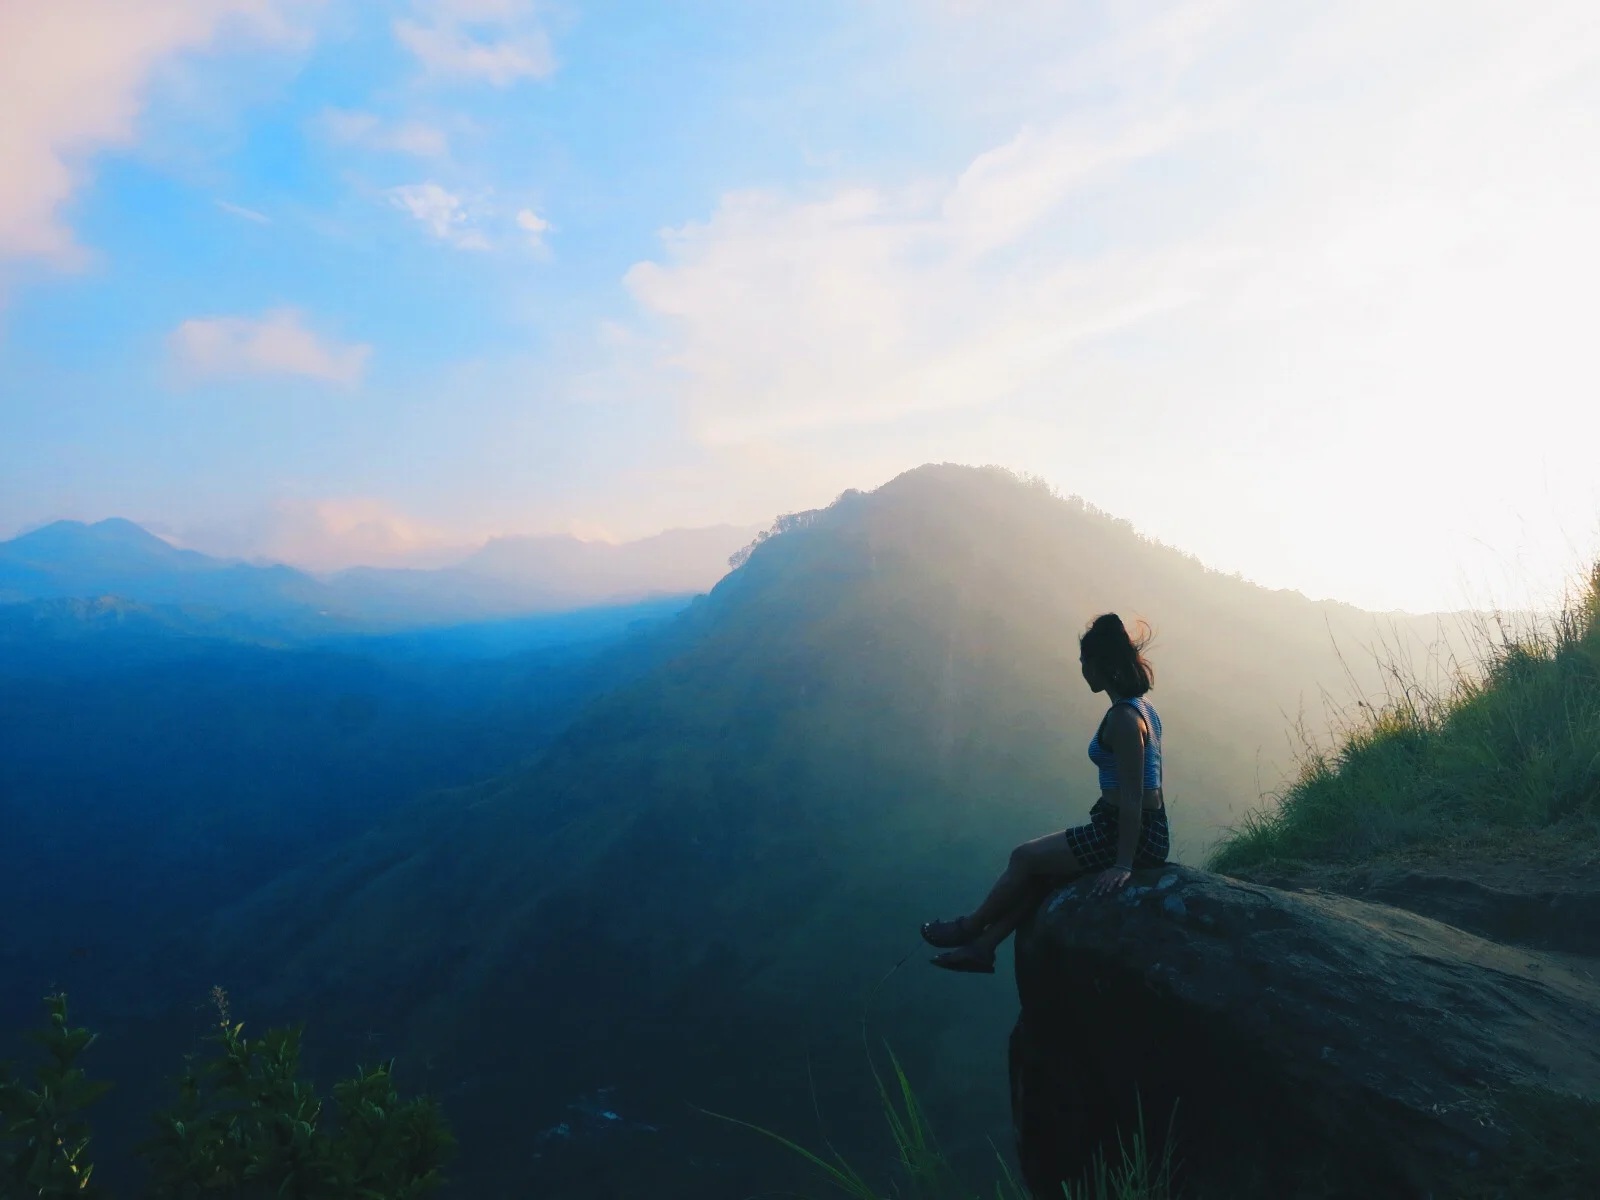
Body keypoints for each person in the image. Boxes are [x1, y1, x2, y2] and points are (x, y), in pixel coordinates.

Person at [920, 613, 1170, 973]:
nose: (1082, 669)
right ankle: (983, 947)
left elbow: (1135, 796)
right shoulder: (1142, 708)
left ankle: (970, 927)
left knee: (1024, 857)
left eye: (1085, 662)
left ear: (1101, 664)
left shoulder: (1125, 720)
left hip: (1130, 835)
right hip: (1134, 829)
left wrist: (1122, 864)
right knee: (1043, 872)